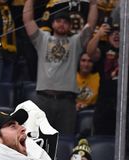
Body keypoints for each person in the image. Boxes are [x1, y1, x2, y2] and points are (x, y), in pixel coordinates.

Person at [24, 0, 99, 136]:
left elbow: (91, 25)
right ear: (52, 23)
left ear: (70, 26)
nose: (61, 24)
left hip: (67, 102)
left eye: (65, 22)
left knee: (65, 142)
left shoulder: (75, 42)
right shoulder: (42, 38)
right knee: (40, 142)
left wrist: (93, 5)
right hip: (43, 99)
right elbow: (28, 20)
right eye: (58, 20)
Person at [86, 6, 129, 136]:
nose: (116, 35)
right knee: (102, 139)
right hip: (105, 104)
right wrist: (98, 34)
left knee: (128, 142)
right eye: (113, 32)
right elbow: (90, 52)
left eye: (120, 32)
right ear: (107, 37)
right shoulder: (103, 50)